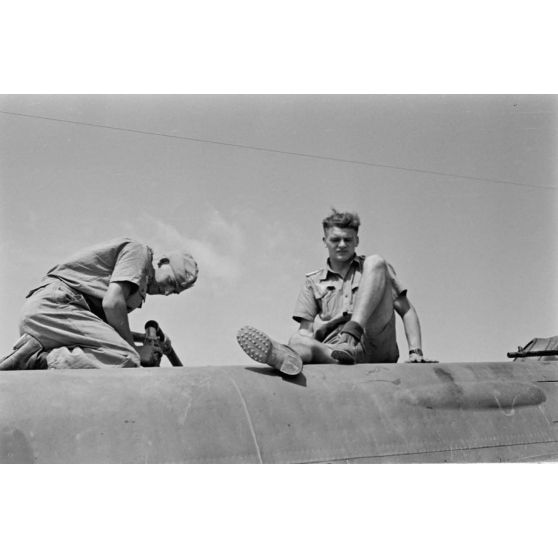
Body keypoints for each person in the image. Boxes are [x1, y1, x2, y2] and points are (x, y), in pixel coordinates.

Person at [237, 209, 436, 375]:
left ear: (357, 240)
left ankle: (352, 331)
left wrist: (415, 351)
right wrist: (302, 345)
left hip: (376, 343)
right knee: (298, 340)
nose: (342, 245)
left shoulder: (373, 270)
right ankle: (287, 357)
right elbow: (305, 330)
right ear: (324, 241)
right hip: (337, 353)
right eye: (335, 239)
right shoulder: (312, 281)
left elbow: (407, 311)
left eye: (348, 239)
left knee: (377, 261)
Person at [0, 237, 198, 370]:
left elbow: (104, 327)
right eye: (171, 283)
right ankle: (35, 362)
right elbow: (112, 304)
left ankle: (37, 351)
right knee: (125, 357)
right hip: (56, 306)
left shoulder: (138, 284)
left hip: (53, 317)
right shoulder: (139, 254)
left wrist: (148, 343)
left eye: (174, 292)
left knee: (119, 355)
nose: (166, 292)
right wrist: (136, 350)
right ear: (162, 262)